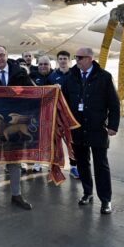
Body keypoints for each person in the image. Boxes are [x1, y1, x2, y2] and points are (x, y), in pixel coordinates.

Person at [62, 47, 120, 214]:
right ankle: (87, 193)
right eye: (76, 57)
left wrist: (113, 126)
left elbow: (114, 104)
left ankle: (106, 200)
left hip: (97, 129)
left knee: (101, 165)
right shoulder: (71, 77)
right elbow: (63, 102)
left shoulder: (104, 77)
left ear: (89, 58)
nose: (77, 60)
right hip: (78, 129)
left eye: (79, 57)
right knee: (82, 164)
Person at [0, 45, 34, 211]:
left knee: (15, 162)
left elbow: (33, 92)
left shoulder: (20, 73)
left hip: (14, 126)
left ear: (7, 55)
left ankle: (17, 195)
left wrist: (52, 90)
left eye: (1, 55)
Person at [47, 50, 80, 179]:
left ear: (69, 60)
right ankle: (54, 167)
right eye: (60, 58)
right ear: (57, 60)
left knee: (72, 142)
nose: (62, 61)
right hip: (57, 114)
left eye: (65, 58)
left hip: (72, 114)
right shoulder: (52, 76)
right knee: (55, 142)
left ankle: (74, 167)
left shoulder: (75, 75)